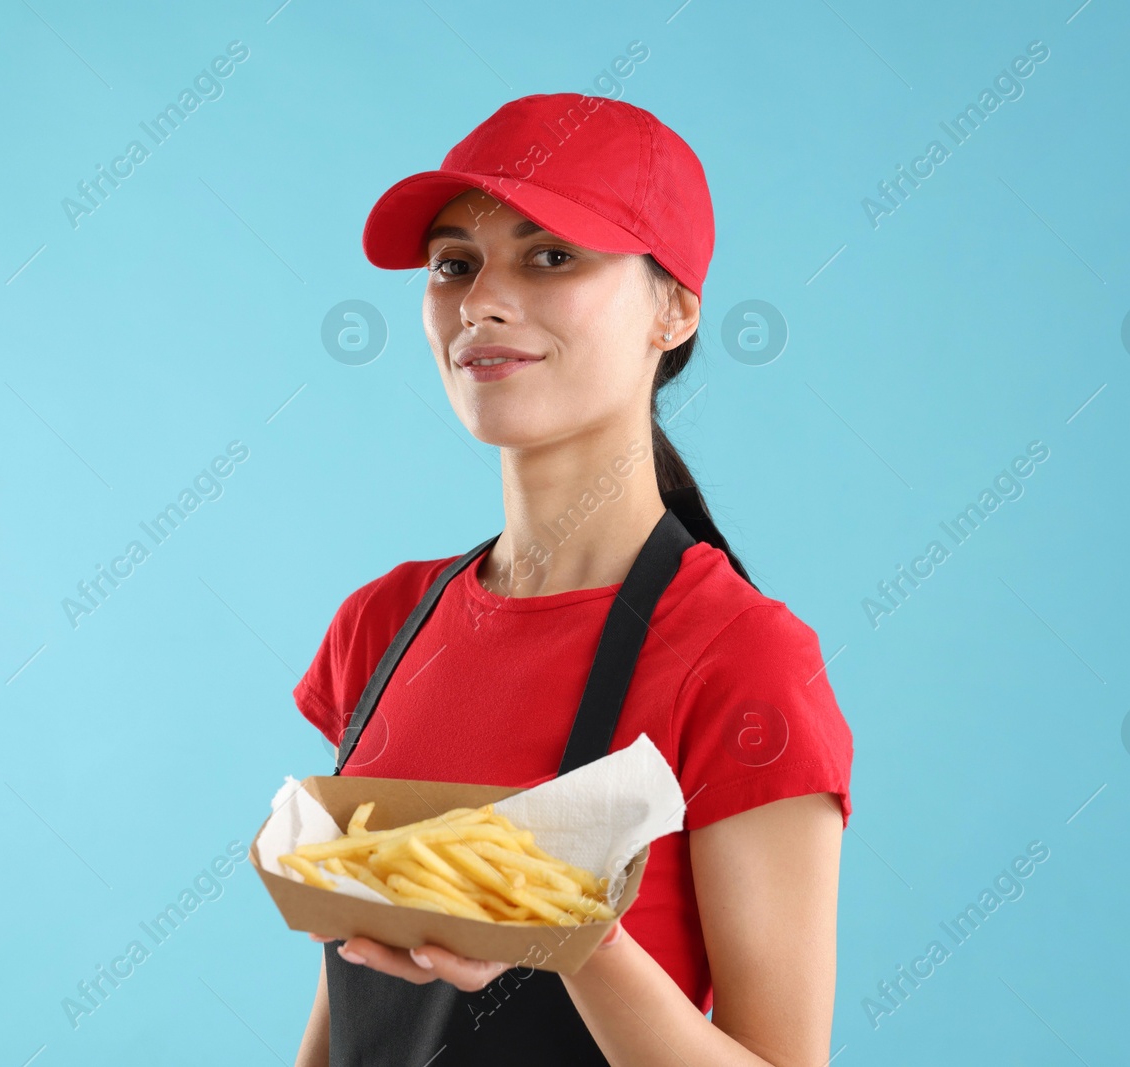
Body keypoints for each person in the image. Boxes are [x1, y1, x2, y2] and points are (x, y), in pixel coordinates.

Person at [291, 92, 853, 1067]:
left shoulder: (740, 656)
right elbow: (348, 1013)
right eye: (453, 263)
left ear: (673, 308)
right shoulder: (381, 625)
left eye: (550, 254)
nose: (481, 302)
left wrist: (573, 931)